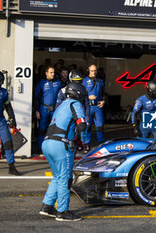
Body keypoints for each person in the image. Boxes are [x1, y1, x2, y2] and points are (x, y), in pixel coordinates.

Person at [39, 83, 87, 221]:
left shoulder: (61, 105)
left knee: (58, 176)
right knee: (66, 179)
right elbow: (82, 124)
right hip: (61, 145)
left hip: (47, 143)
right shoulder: (76, 104)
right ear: (78, 94)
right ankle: (63, 212)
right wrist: (81, 139)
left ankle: (47, 206)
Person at [34, 66, 62, 150]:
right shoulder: (41, 83)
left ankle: (53, 147)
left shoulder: (58, 83)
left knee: (54, 129)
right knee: (42, 129)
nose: (53, 74)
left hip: (55, 109)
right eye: (51, 72)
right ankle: (41, 147)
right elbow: (36, 98)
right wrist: (36, 110)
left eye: (53, 72)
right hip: (43, 109)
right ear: (46, 73)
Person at [0, 71, 21, 175]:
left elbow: (8, 106)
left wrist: (12, 118)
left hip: (1, 120)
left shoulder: (3, 92)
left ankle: (11, 166)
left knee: (8, 143)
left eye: (0, 82)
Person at [82, 64, 105, 153]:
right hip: (88, 106)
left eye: (95, 71)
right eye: (92, 71)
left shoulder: (100, 81)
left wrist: (103, 101)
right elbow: (81, 94)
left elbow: (103, 94)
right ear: (88, 71)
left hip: (97, 107)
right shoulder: (84, 81)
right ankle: (86, 145)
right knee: (87, 126)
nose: (94, 72)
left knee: (99, 126)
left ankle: (101, 144)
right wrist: (88, 97)